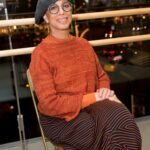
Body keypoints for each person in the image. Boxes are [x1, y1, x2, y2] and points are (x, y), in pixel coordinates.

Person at [29, 0, 141, 149]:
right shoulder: (41, 54)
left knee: (121, 116)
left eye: (66, 6)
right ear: (45, 17)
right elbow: (49, 104)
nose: (62, 12)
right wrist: (95, 97)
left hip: (90, 107)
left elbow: (101, 77)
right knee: (100, 133)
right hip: (59, 119)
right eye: (53, 8)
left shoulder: (84, 45)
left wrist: (103, 90)